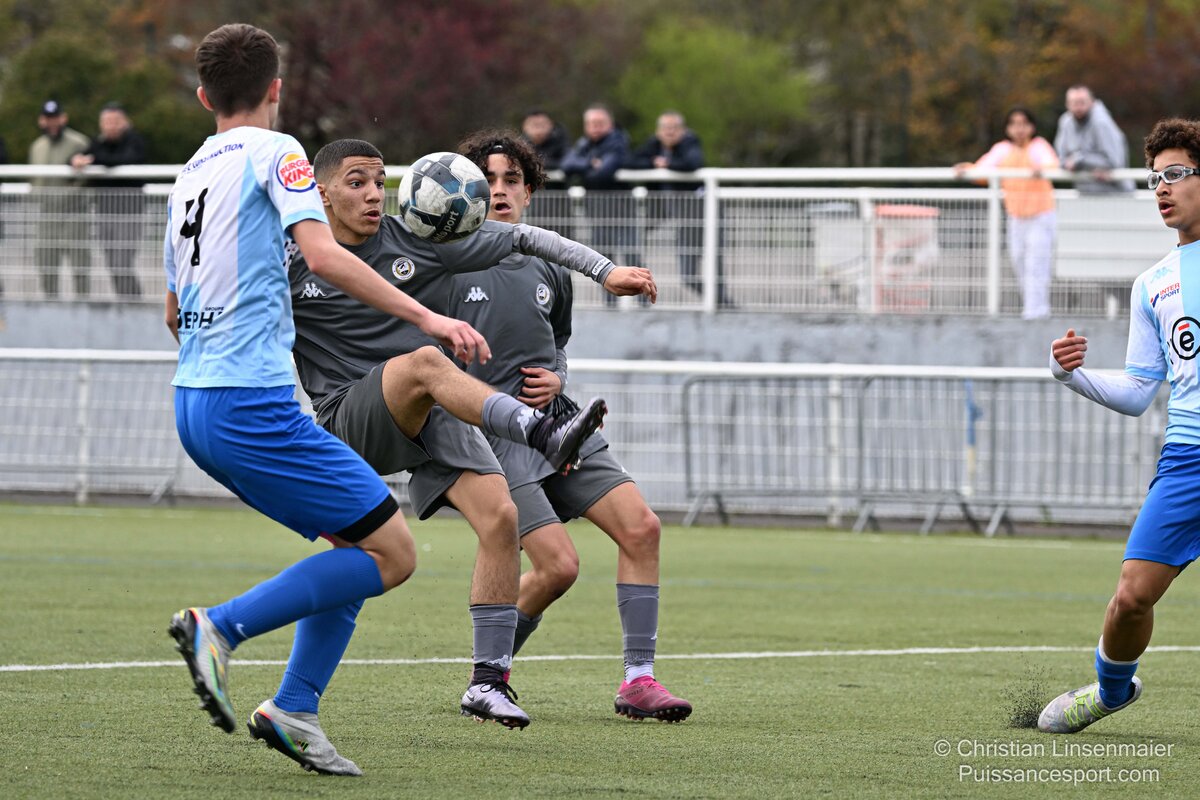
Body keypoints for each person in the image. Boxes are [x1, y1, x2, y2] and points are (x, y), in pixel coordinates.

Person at [163, 23, 532, 776]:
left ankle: (295, 708)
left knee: (356, 542)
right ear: (275, 88)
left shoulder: (190, 174)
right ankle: (220, 628)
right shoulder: (279, 152)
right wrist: (429, 318)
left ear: (204, 97)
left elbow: (173, 311)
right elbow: (324, 256)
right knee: (393, 554)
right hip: (250, 404)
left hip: (194, 402)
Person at [287, 138, 657, 730]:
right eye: (356, 182)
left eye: (379, 182)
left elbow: (529, 240)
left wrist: (606, 272)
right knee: (427, 361)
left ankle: (487, 682)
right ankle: (539, 431)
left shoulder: (419, 241)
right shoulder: (290, 260)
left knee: (500, 519)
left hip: (434, 406)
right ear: (321, 191)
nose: (373, 195)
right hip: (350, 414)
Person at [451, 130, 693, 721]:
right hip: (494, 436)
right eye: (488, 180)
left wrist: (557, 379)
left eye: (512, 180)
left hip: (560, 422)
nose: (500, 190)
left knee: (643, 529)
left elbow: (557, 344)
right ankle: (488, 673)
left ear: (529, 192)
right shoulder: (448, 263)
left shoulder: (550, 267)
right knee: (558, 567)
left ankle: (638, 681)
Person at [1037, 117, 1200, 734]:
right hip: (1187, 459)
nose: (1163, 188)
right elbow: (1137, 393)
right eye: (1155, 179)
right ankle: (1109, 693)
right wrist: (1069, 375)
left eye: (1176, 174)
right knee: (1131, 597)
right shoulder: (1152, 285)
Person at [955, 107, 1059, 320]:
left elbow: (1051, 164)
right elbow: (982, 169)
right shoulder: (1002, 149)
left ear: (1031, 127)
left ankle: (1037, 312)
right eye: (1014, 124)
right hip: (1016, 216)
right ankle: (1032, 309)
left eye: (1023, 124)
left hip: (1040, 215)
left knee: (1036, 264)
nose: (1019, 129)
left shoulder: (1038, 146)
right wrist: (965, 168)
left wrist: (1041, 169)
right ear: (1008, 128)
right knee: (1018, 261)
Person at [629, 110, 731, 308]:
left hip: (704, 214)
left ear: (683, 130)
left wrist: (667, 164)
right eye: (665, 128)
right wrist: (653, 162)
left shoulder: (690, 142)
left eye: (674, 128)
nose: (670, 132)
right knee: (688, 275)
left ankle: (723, 306)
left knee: (714, 269)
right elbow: (631, 161)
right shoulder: (653, 145)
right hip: (681, 219)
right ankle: (721, 303)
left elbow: (693, 163)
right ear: (658, 131)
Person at [561, 104, 637, 305]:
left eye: (600, 123)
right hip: (596, 212)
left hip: (623, 211)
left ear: (610, 124)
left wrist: (583, 168)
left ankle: (645, 303)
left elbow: (604, 172)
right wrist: (590, 164)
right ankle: (609, 306)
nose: (595, 127)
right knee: (603, 261)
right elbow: (567, 164)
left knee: (632, 257)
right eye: (591, 123)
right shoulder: (584, 143)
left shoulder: (618, 141)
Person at [71, 103, 147, 296]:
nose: (111, 126)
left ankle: (134, 303)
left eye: (115, 121)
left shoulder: (135, 141)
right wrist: (77, 160)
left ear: (125, 122)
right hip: (104, 212)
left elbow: (127, 160)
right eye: (107, 122)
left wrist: (95, 161)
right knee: (112, 263)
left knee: (122, 262)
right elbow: (79, 158)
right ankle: (126, 302)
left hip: (130, 213)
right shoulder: (98, 143)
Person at [29, 100, 91, 298]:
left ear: (63, 118)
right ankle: (50, 309)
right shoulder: (37, 146)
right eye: (48, 118)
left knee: (80, 267)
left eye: (55, 118)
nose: (52, 123)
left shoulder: (79, 142)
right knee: (46, 266)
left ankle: (83, 308)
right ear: (41, 121)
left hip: (74, 215)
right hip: (46, 216)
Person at [1054, 85, 1134, 193]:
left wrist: (1080, 161)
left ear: (1092, 102)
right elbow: (1061, 159)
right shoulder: (1065, 122)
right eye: (1074, 103)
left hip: (1115, 194)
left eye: (1082, 102)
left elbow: (1114, 161)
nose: (1078, 107)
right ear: (1067, 104)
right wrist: (1073, 163)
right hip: (1085, 193)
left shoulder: (1101, 122)